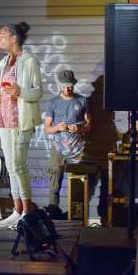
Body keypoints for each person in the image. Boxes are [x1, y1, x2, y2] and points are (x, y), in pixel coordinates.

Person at [0, 22, 43, 229]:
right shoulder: (3, 62)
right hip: (5, 121)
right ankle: (17, 211)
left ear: (14, 38)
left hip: (22, 121)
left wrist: (21, 92)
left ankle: (27, 212)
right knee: (10, 166)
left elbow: (37, 91)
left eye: (1, 36)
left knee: (18, 165)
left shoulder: (29, 61)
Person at [44, 70, 92, 210]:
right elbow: (47, 129)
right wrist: (57, 127)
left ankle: (77, 215)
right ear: (60, 85)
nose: (68, 89)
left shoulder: (82, 100)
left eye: (70, 86)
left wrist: (80, 129)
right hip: (58, 148)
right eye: (65, 86)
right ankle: (54, 213)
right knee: (54, 182)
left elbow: (89, 126)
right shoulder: (53, 103)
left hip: (77, 148)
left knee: (79, 183)